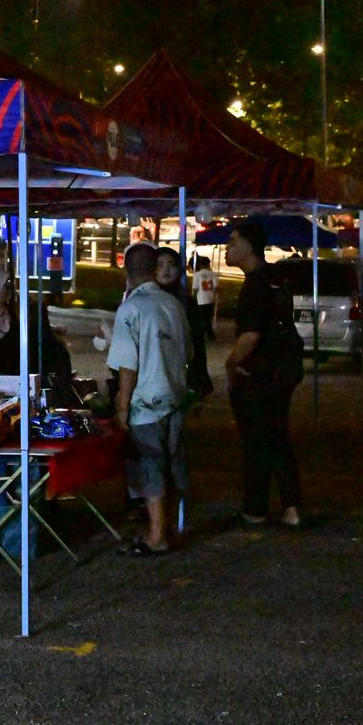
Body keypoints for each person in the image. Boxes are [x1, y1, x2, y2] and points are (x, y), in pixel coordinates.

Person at [106, 242, 189, 555]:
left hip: (146, 403)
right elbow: (188, 353)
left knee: (152, 467)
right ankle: (171, 529)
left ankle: (157, 536)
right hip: (175, 397)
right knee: (173, 464)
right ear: (155, 269)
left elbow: (128, 365)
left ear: (127, 272)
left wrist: (122, 407)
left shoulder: (131, 309)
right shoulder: (174, 305)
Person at [224, 220, 303, 528]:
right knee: (277, 437)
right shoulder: (276, 279)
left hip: (262, 374)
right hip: (284, 369)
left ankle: (256, 508)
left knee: (258, 440)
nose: (227, 248)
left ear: (248, 247)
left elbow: (251, 336)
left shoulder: (256, 285)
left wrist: (231, 363)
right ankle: (291, 505)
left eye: (232, 242)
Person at [158, 247, 213, 398]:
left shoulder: (186, 302)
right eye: (160, 265)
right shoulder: (144, 301)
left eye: (171, 264)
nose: (166, 270)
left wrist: (199, 375)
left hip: (180, 372)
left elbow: (196, 341)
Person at [191, 256, 218, 339]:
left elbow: (195, 288)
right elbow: (216, 286)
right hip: (210, 298)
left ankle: (203, 333)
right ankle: (209, 333)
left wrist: (194, 298)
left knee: (201, 318)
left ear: (200, 264)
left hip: (201, 298)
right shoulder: (213, 274)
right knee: (207, 317)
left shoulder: (197, 274)